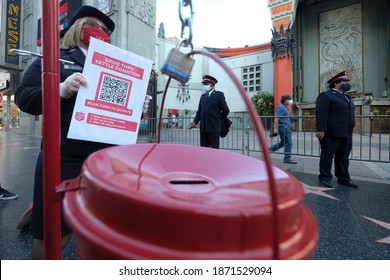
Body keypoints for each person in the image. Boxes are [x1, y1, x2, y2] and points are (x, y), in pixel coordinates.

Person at [15, 5, 150, 259]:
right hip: (65, 157)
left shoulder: (119, 66)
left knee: (104, 229)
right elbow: (23, 97)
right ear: (77, 27)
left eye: (104, 28)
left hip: (107, 161)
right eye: (92, 24)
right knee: (55, 232)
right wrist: (59, 90)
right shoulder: (55, 57)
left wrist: (137, 107)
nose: (99, 31)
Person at [315, 71, 358, 189]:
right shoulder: (326, 95)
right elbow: (321, 113)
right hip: (330, 133)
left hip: (346, 133)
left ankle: (343, 178)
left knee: (343, 158)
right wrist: (320, 130)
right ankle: (325, 177)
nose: (347, 84)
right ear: (336, 83)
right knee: (327, 156)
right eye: (344, 82)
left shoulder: (347, 97)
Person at [189, 75, 230, 149]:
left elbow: (226, 110)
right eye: (204, 84)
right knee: (204, 150)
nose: (204, 86)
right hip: (203, 127)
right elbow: (199, 112)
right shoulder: (203, 97)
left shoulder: (218, 95)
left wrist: (219, 118)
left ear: (212, 85)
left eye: (206, 84)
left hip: (214, 127)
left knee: (214, 149)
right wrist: (195, 122)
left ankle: (215, 161)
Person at [269, 94, 297, 164]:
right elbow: (276, 117)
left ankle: (269, 149)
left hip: (285, 126)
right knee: (288, 142)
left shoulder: (284, 107)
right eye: (289, 99)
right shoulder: (281, 107)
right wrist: (275, 128)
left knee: (283, 142)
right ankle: (287, 158)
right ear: (285, 100)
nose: (291, 101)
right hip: (283, 127)